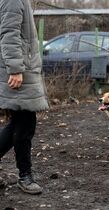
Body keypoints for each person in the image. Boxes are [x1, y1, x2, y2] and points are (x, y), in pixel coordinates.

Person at [0, 0, 49, 194]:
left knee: (18, 125)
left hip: (23, 70)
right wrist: (15, 69)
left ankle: (25, 174)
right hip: (19, 73)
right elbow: (8, 35)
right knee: (25, 126)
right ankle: (25, 176)